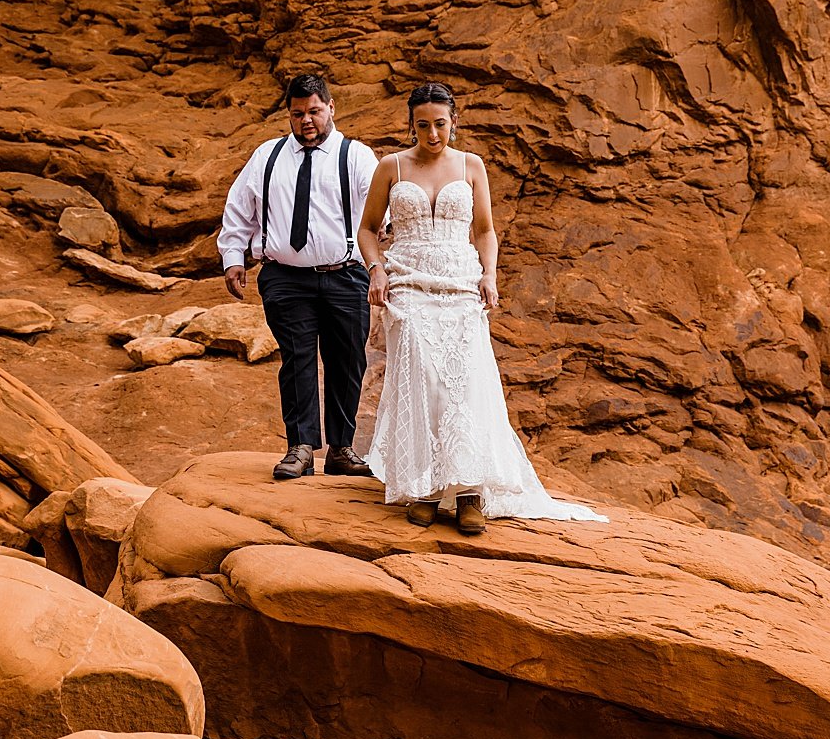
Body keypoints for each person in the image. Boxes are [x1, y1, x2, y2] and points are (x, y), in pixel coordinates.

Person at [355, 82, 608, 534]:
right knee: (421, 378)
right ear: (411, 125)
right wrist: (376, 270)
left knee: (464, 382)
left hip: (460, 281)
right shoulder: (391, 167)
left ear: (454, 121)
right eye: (422, 125)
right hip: (408, 284)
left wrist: (489, 275)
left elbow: (485, 230)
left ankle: (470, 491)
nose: (432, 134)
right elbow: (369, 230)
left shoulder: (472, 165)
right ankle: (427, 488)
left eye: (440, 124)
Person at [219, 73, 379, 481]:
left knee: (347, 361)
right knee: (298, 360)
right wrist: (233, 256)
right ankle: (301, 447)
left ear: (330, 108)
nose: (306, 120)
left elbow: (380, 214)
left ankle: (342, 448)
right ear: (288, 115)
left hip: (344, 276)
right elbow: (240, 207)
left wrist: (377, 264)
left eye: (314, 111)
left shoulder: (356, 156)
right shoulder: (268, 156)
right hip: (285, 278)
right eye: (297, 113)